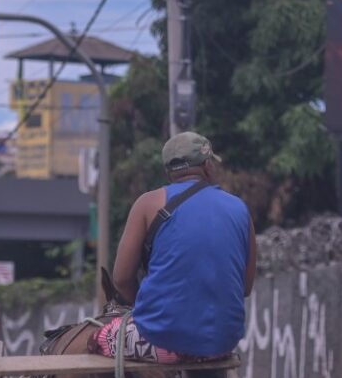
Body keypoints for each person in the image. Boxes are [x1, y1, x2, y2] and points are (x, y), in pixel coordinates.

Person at [94, 131, 256, 363]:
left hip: (161, 340)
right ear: (208, 166)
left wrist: (142, 307)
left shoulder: (148, 203)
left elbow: (120, 279)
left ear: (169, 172)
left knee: (99, 338)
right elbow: (245, 287)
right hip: (222, 341)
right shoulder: (240, 209)